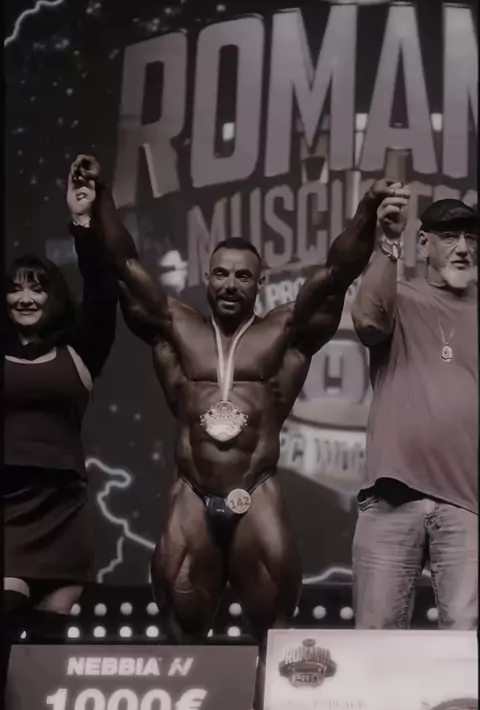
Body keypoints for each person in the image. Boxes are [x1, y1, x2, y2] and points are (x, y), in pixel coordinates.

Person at [74, 153, 394, 643]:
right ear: (207, 277)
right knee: (182, 630)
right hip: (192, 491)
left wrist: (368, 209)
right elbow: (125, 263)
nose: (230, 284)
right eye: (221, 273)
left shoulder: (285, 332)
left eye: (243, 276)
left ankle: (267, 697)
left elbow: (336, 273)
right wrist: (103, 198)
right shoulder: (175, 327)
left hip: (256, 487)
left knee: (275, 631)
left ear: (260, 283)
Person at [351, 192, 478, 630]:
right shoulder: (399, 296)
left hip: (468, 502)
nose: (463, 247)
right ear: (423, 243)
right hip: (393, 493)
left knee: (466, 641)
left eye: (471, 238)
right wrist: (388, 241)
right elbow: (369, 323)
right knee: (377, 633)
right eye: (450, 236)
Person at [3, 165, 118, 641]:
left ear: (54, 296)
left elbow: (102, 293)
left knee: (48, 638)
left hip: (62, 508)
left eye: (37, 287)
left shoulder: (79, 351)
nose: (25, 297)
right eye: (15, 287)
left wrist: (83, 222)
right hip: (7, 506)